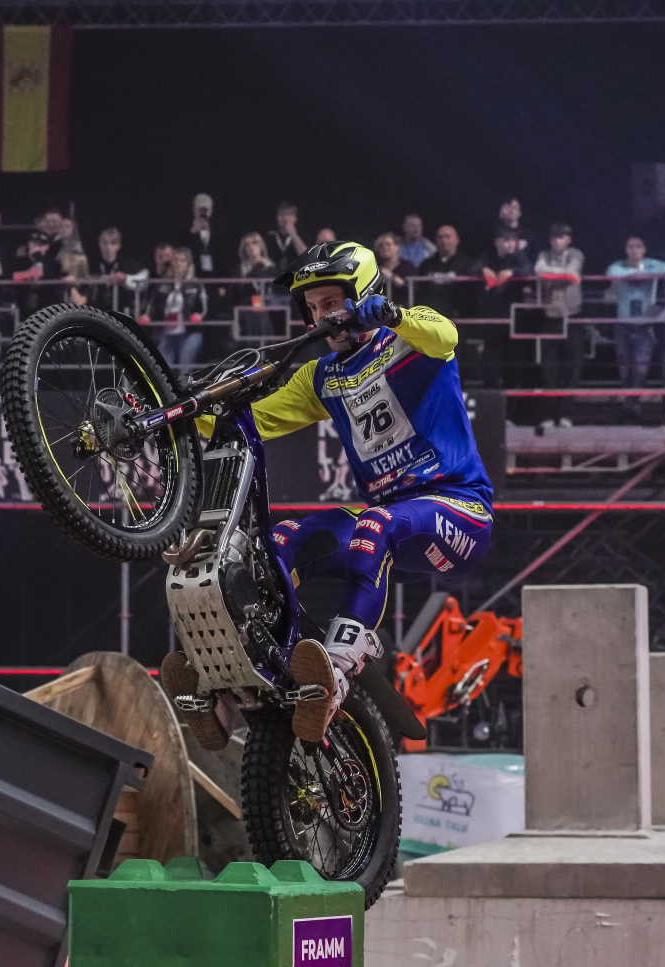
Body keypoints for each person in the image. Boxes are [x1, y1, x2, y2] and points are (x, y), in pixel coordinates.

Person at [170, 241, 491, 745]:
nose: (323, 317)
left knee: (375, 523)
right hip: (394, 521)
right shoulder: (320, 376)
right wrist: (175, 413)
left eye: (332, 303)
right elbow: (256, 421)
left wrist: (392, 315)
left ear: (364, 293)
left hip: (461, 511)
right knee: (279, 542)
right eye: (314, 308)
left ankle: (337, 672)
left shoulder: (410, 338)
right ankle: (235, 681)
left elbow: (445, 334)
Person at [607, 236, 665, 404]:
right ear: (626, 249)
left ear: (644, 250)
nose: (634, 250)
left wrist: (643, 272)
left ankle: (632, 405)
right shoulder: (617, 267)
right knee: (624, 368)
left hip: (645, 326)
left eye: (638, 246)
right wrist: (636, 275)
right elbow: (611, 274)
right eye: (631, 246)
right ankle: (629, 404)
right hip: (623, 325)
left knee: (641, 368)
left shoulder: (652, 265)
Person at [535, 222, 586, 397]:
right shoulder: (544, 254)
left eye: (560, 237)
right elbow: (539, 270)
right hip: (550, 316)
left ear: (568, 239)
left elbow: (572, 271)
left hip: (573, 315)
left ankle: (567, 406)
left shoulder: (576, 254)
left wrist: (551, 276)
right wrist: (563, 275)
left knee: (573, 363)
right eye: (553, 237)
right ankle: (550, 404)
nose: (556, 241)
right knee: (548, 365)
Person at [479, 229, 530, 387]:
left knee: (514, 356)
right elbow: (473, 267)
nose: (510, 244)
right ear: (497, 242)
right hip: (493, 314)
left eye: (512, 240)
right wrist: (483, 269)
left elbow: (529, 271)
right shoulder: (488, 256)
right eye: (506, 240)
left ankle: (513, 394)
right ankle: (491, 390)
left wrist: (512, 272)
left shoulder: (519, 256)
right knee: (491, 354)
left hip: (514, 316)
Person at [143, 246, 206, 368]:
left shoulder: (195, 284)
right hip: (167, 332)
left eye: (182, 260)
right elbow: (152, 304)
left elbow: (204, 307)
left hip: (190, 332)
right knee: (162, 369)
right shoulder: (163, 283)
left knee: (185, 365)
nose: (179, 263)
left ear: (188, 264)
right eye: (176, 260)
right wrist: (147, 316)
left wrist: (199, 315)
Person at [413, 225, 477, 319]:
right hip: (432, 318)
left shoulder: (468, 265)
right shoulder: (426, 265)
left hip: (459, 319)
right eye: (440, 237)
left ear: (457, 240)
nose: (444, 241)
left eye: (448, 237)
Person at [233, 232, 281, 341]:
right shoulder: (240, 269)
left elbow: (276, 289)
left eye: (254, 243)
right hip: (245, 308)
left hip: (268, 308)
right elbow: (237, 293)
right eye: (247, 245)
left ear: (261, 245)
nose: (251, 247)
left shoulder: (270, 267)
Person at [91, 227, 145, 310]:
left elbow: (142, 277)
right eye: (105, 243)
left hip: (120, 310)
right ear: (99, 244)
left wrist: (125, 278)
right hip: (98, 311)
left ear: (118, 246)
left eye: (113, 243)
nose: (108, 247)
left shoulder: (127, 266)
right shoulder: (93, 265)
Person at [267, 203, 307, 272]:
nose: (285, 218)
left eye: (289, 214)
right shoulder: (270, 237)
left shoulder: (303, 236)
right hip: (273, 275)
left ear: (295, 218)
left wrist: (293, 235)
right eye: (281, 214)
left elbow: (307, 258)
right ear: (277, 218)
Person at [189, 193, 220, 276]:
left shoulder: (218, 233)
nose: (202, 213)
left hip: (215, 277)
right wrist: (193, 233)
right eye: (200, 210)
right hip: (193, 277)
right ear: (194, 210)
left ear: (211, 211)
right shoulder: (186, 234)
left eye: (205, 210)